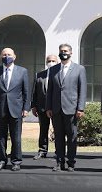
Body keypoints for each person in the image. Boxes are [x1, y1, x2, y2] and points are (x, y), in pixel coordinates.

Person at [0, 48, 30, 171]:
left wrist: (26, 108)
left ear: (14, 56)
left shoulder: (22, 71)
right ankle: (1, 161)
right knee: (1, 137)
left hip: (16, 109)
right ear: (1, 56)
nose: (7, 56)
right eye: (4, 55)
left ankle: (16, 161)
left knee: (16, 137)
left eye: (9, 54)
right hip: (0, 109)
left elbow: (26, 92)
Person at [46, 43, 87, 172]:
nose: (63, 53)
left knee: (72, 137)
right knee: (58, 137)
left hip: (72, 109)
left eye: (65, 51)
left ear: (71, 53)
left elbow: (83, 90)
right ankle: (59, 162)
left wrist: (80, 108)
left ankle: (71, 162)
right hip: (56, 109)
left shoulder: (79, 69)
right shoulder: (53, 70)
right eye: (61, 51)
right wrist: (48, 107)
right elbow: (50, 91)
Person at [31, 54, 58, 160]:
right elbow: (34, 92)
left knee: (58, 131)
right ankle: (42, 151)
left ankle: (58, 151)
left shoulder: (60, 74)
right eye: (49, 60)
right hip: (42, 107)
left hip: (56, 107)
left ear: (57, 62)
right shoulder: (39, 75)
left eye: (53, 61)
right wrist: (33, 106)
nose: (51, 62)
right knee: (43, 130)